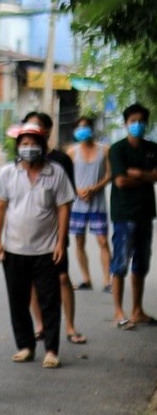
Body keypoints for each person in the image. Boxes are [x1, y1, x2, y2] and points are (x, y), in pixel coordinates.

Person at [0, 125, 74, 366]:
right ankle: (26, 346)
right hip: (14, 249)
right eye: (24, 144)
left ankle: (51, 350)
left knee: (49, 300)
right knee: (17, 301)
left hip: (47, 249)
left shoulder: (56, 173)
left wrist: (61, 241)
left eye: (33, 143)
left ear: (43, 146)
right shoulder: (8, 173)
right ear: (18, 147)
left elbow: (63, 208)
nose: (29, 148)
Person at [21, 112, 82, 345]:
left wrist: (61, 235)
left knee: (63, 277)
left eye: (37, 128)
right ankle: (40, 325)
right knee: (32, 282)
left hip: (55, 231)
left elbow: (67, 199)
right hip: (28, 235)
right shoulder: (18, 164)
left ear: (46, 132)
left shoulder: (60, 160)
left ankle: (70, 326)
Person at [109, 103, 157, 329]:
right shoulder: (117, 149)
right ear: (126, 123)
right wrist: (146, 176)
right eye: (133, 121)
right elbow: (119, 181)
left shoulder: (152, 148)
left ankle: (137, 310)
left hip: (145, 213)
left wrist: (135, 173)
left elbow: (156, 176)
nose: (137, 124)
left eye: (140, 121)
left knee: (142, 263)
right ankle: (119, 311)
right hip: (124, 214)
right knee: (120, 262)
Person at [69, 116, 113, 295]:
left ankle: (107, 280)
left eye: (86, 127)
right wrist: (77, 190)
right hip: (78, 203)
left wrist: (94, 189)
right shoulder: (72, 152)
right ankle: (86, 278)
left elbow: (109, 174)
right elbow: (67, 176)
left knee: (102, 240)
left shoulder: (104, 150)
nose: (83, 130)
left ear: (92, 130)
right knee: (79, 240)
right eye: (79, 127)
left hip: (97, 202)